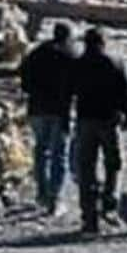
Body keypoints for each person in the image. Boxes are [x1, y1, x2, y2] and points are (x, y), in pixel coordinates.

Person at [71, 27, 127, 234]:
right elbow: (126, 92)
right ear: (103, 43)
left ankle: (89, 217)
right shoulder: (114, 62)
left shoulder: (78, 64)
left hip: (85, 120)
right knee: (114, 164)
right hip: (109, 119)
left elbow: (70, 91)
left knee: (86, 168)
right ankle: (110, 203)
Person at [18, 23, 78, 215]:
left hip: (36, 109)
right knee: (59, 154)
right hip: (59, 111)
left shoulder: (36, 53)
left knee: (40, 150)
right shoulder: (70, 56)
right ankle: (55, 198)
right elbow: (76, 86)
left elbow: (24, 79)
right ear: (68, 37)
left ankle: (41, 193)